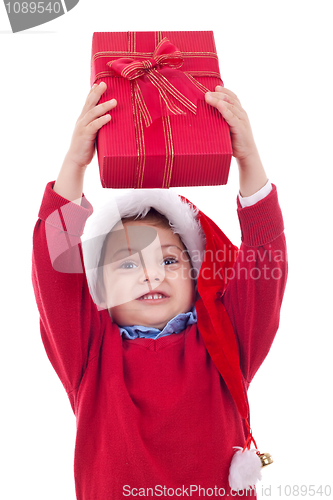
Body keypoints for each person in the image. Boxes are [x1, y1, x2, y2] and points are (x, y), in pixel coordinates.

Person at [32, 82, 288, 499]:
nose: (152, 275)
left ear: (197, 278)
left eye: (170, 260)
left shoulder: (226, 342)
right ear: (101, 292)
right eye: (128, 263)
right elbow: (53, 273)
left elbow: (264, 267)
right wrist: (75, 164)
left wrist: (249, 161)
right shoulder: (90, 355)